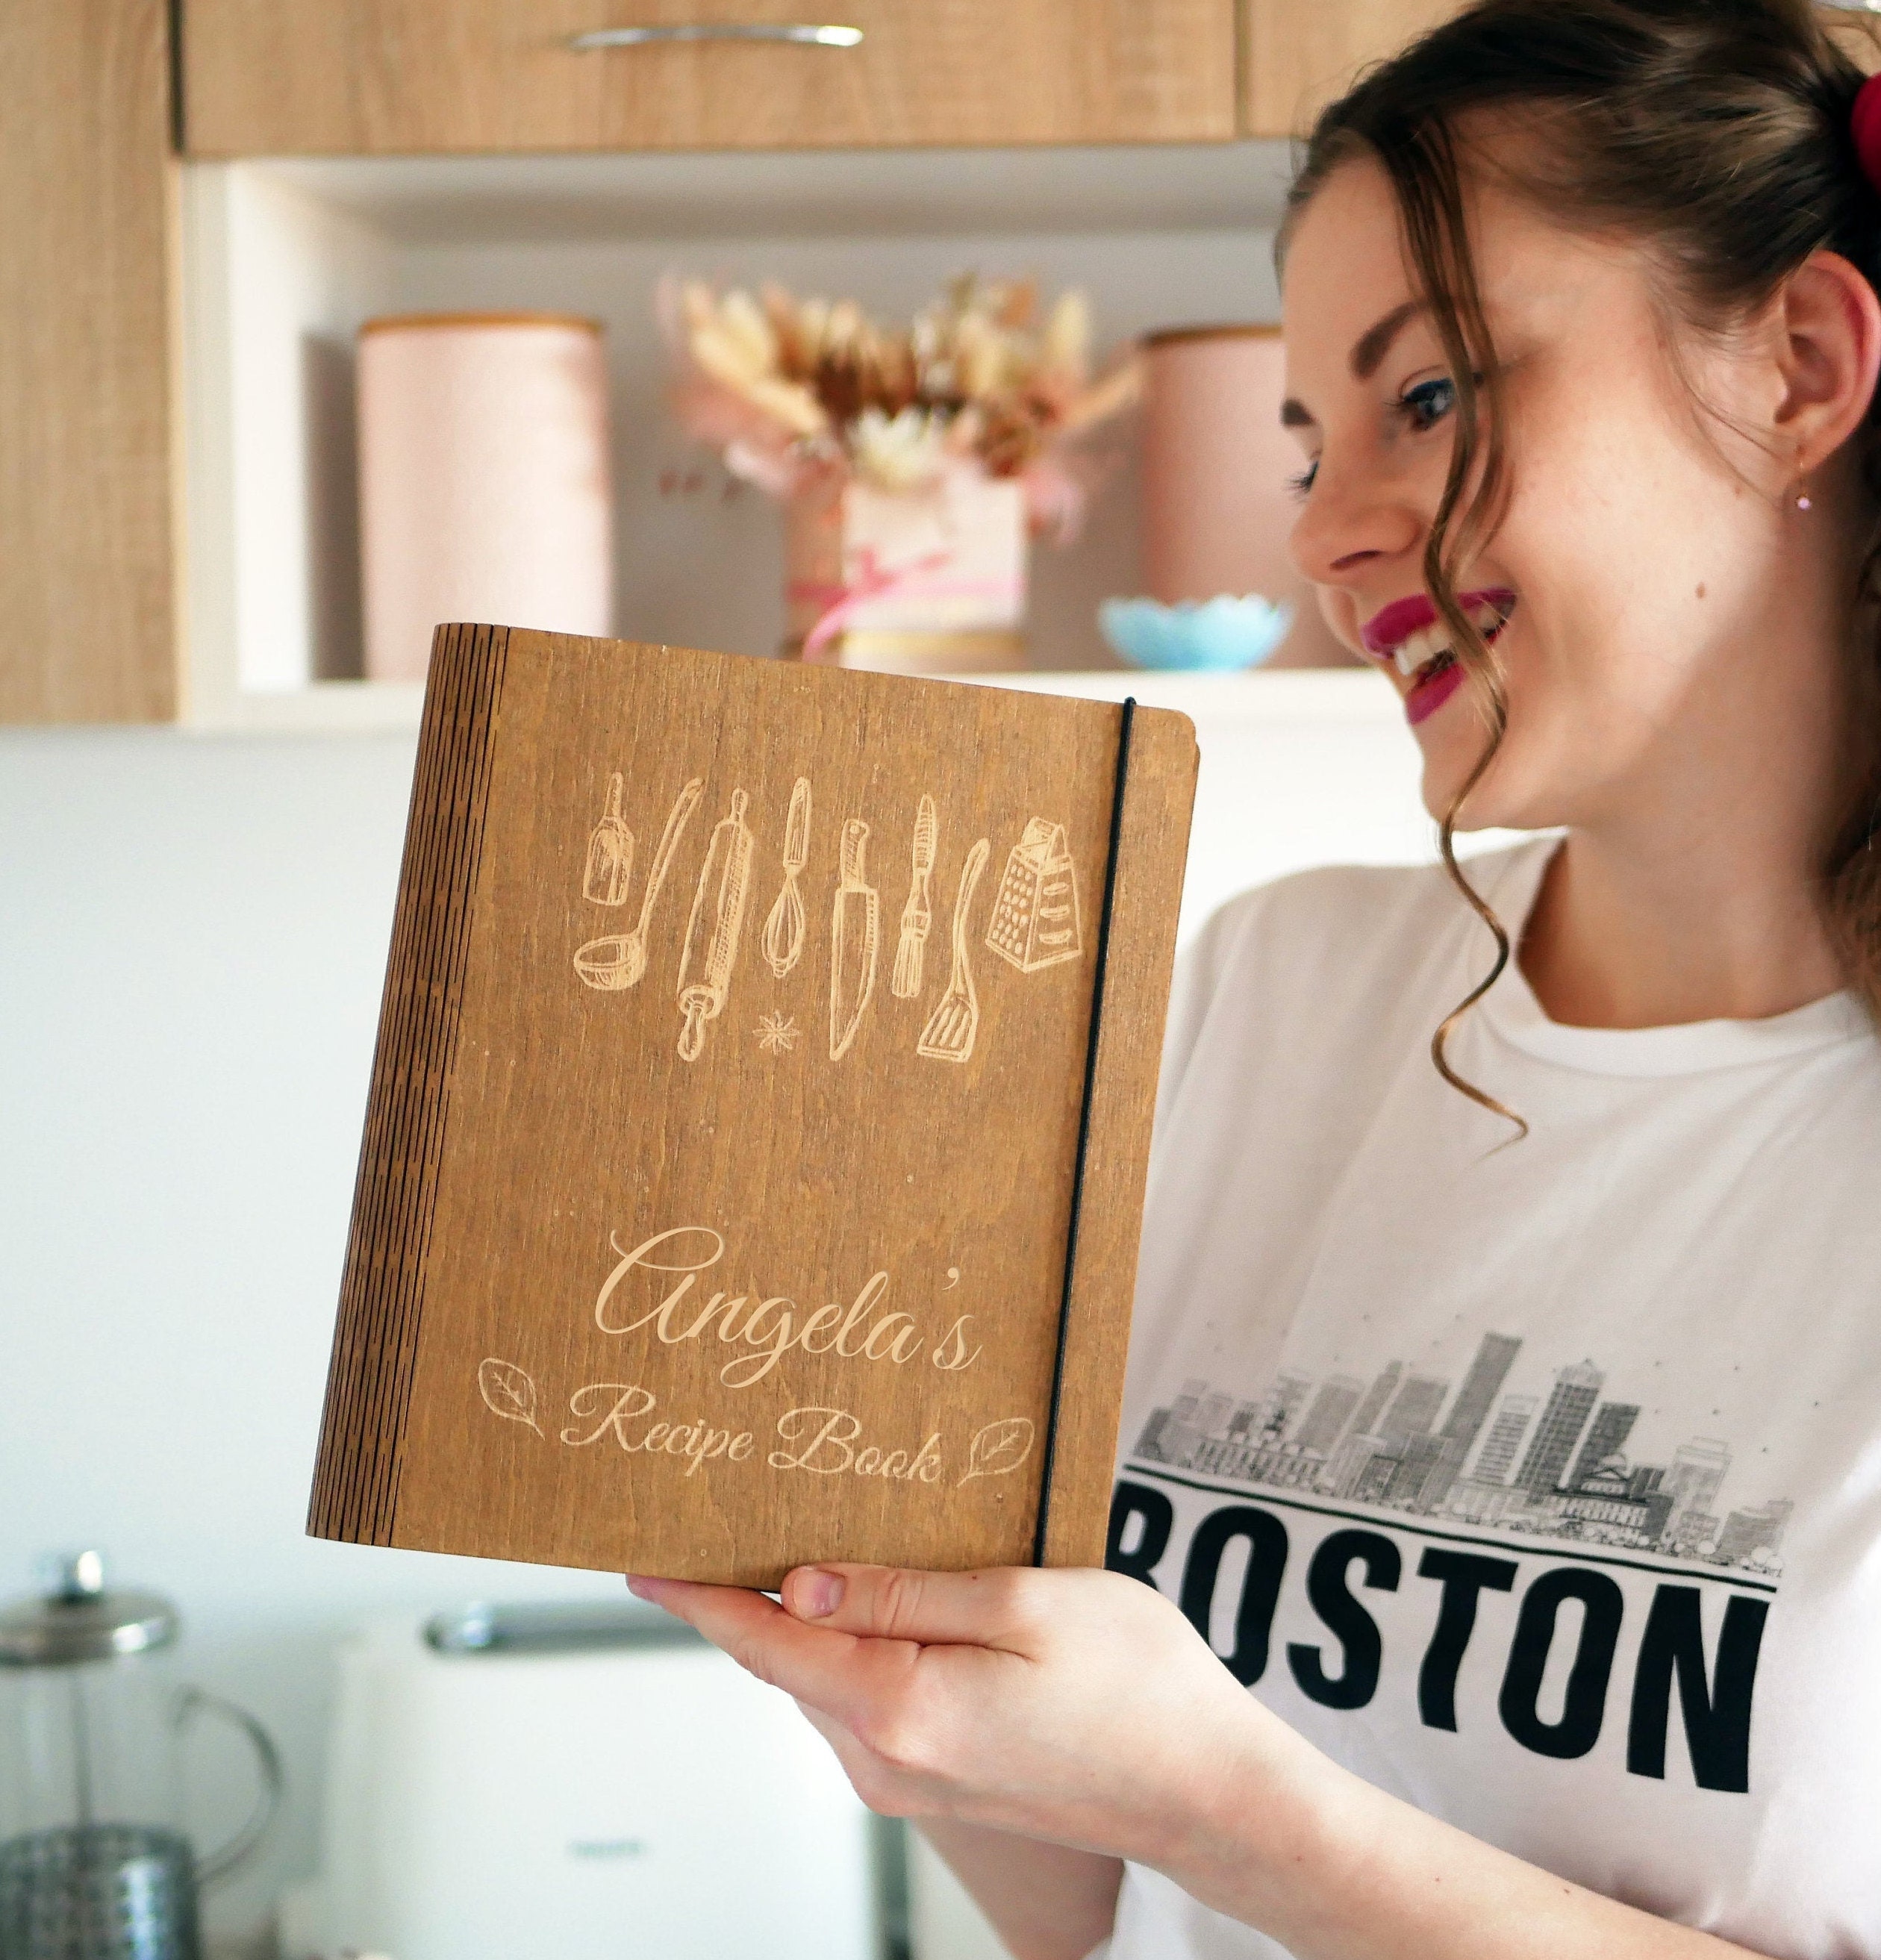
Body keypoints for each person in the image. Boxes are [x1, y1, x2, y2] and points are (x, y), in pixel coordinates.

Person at [626, 2, 1881, 1953]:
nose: (1322, 534)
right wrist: (831, 1606)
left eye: (1429, 399)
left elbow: (1190, 1814)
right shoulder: (1265, 995)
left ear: (1800, 365)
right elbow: (1104, 1913)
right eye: (1309, 447)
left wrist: (1220, 1800)